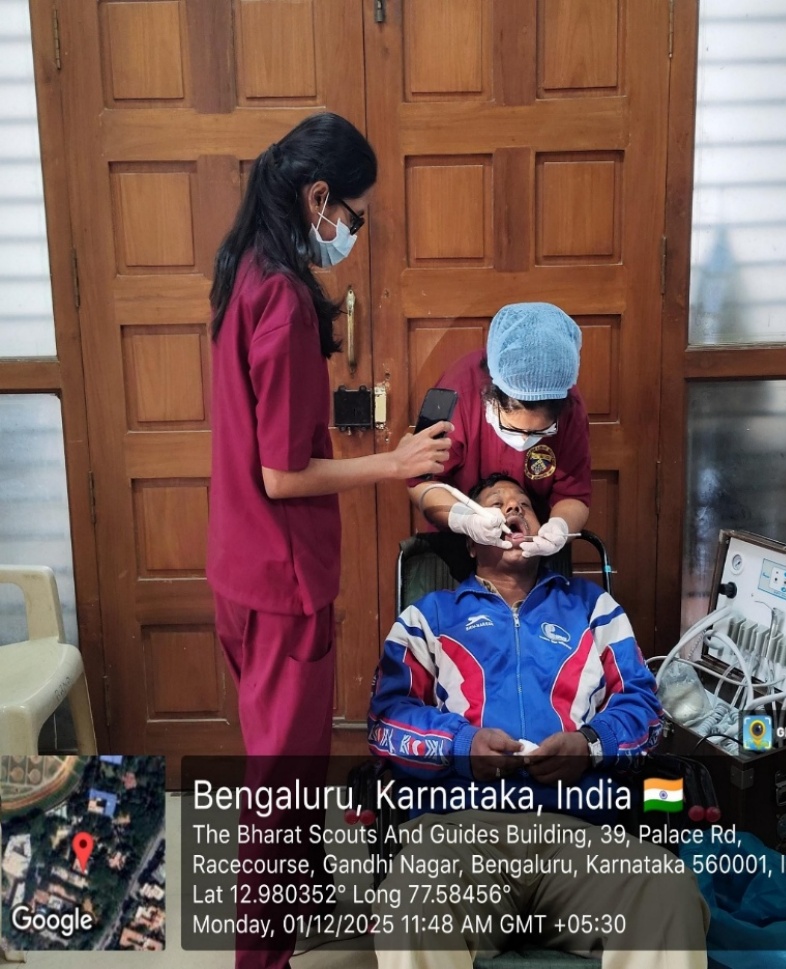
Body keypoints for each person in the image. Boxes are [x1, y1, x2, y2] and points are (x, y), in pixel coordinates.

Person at [368, 474, 709, 969]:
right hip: (460, 836)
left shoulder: (593, 608)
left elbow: (645, 709)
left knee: (666, 889)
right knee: (410, 900)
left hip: (582, 833)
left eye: (524, 505)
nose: (513, 510)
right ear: (471, 539)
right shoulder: (430, 617)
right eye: (496, 504)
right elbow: (386, 722)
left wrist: (590, 745)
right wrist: (460, 745)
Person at [207, 112, 452, 761]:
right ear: (319, 196)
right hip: (279, 581)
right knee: (284, 784)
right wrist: (393, 462)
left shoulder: (244, 270)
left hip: (240, 564)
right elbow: (281, 475)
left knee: (274, 761)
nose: (352, 234)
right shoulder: (282, 301)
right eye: (355, 218)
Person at [408, 303, 591, 559]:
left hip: (534, 552)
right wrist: (465, 520)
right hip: (457, 543)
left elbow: (574, 493)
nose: (524, 440)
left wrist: (561, 528)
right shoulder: (452, 392)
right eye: (513, 428)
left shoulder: (567, 402)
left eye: (541, 432)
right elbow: (420, 482)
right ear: (492, 395)